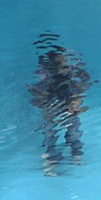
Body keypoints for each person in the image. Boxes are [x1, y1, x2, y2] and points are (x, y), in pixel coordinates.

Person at [28, 43, 91, 176]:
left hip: (68, 110)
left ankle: (76, 154)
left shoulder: (70, 80)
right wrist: (43, 104)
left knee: (74, 132)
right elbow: (35, 97)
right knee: (49, 134)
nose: (67, 68)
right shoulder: (46, 83)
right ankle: (50, 160)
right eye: (63, 66)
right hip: (51, 112)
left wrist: (77, 103)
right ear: (51, 70)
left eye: (66, 65)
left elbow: (80, 91)